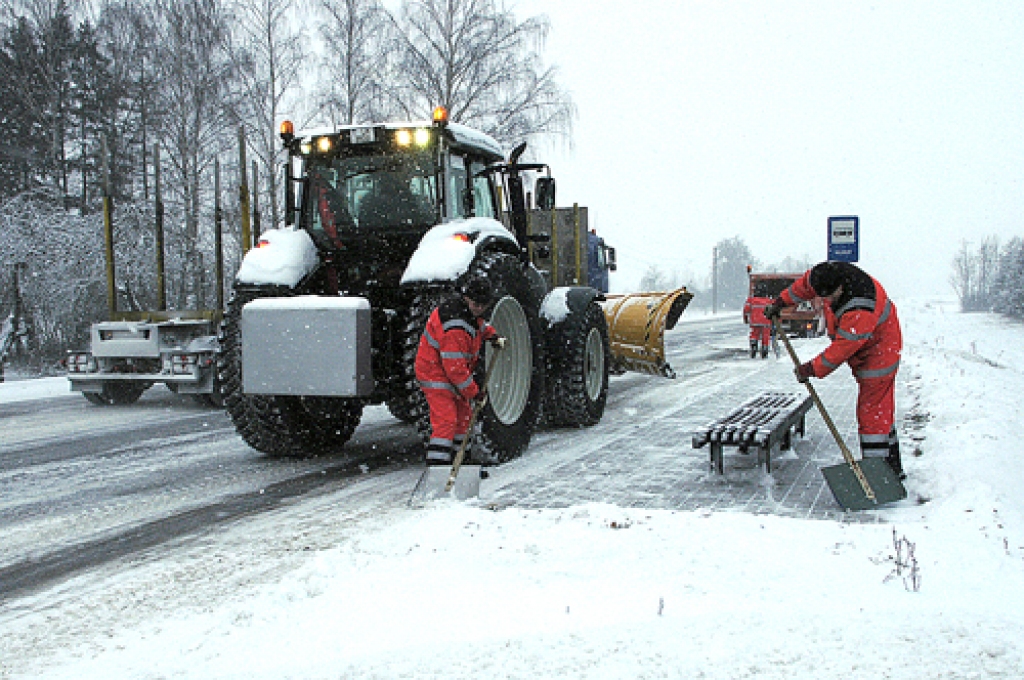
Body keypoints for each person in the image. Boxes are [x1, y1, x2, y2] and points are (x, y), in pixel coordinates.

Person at [765, 261, 905, 480]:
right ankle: (893, 468)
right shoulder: (824, 275)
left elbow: (841, 349)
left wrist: (811, 368)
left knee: (871, 414)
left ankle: (878, 478)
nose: (826, 302)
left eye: (829, 297)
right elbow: (802, 288)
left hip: (879, 354)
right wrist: (780, 302)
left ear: (840, 288)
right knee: (881, 411)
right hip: (866, 349)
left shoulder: (861, 306)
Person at [414, 276, 505, 465]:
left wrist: (492, 335)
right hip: (435, 375)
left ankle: (460, 462)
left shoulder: (469, 313)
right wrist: (474, 393)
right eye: (476, 304)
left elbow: (479, 324)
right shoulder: (455, 327)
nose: (479, 308)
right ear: (467, 298)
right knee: (446, 421)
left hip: (452, 376)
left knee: (464, 419)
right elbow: (455, 370)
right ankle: (438, 467)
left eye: (483, 305)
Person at [742, 294, 773, 359]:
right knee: (766, 336)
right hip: (766, 321)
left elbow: (746, 310)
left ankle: (754, 346)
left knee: (754, 334)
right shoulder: (769, 301)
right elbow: (774, 310)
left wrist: (745, 319)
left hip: (755, 320)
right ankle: (764, 350)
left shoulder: (751, 300)